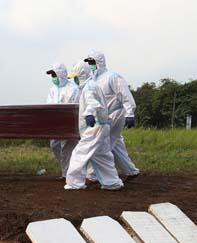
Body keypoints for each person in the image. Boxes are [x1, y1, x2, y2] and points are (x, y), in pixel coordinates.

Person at [64, 60, 123, 191]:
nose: (74, 81)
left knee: (79, 153)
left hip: (94, 128)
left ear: (81, 75)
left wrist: (89, 114)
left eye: (75, 78)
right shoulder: (92, 85)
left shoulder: (89, 87)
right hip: (101, 126)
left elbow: (93, 103)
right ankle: (111, 183)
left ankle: (74, 182)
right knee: (102, 155)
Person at [84, 51, 140, 181]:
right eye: (89, 63)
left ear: (100, 62)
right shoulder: (93, 80)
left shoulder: (112, 77)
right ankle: (131, 171)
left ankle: (94, 175)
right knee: (115, 145)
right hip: (103, 117)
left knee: (101, 145)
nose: (91, 65)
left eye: (92, 62)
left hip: (115, 115)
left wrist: (130, 114)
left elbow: (125, 96)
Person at [46, 63, 80, 178]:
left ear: (61, 74)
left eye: (54, 75)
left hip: (70, 123)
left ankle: (68, 174)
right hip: (56, 124)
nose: (53, 78)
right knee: (54, 145)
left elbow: (77, 106)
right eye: (52, 75)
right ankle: (68, 170)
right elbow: (49, 105)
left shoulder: (73, 88)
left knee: (68, 149)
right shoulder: (53, 89)